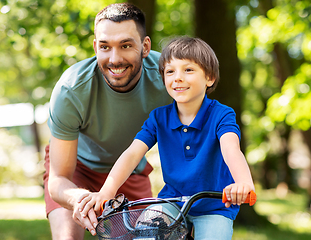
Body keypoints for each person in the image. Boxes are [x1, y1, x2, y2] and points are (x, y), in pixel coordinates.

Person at [78, 36, 255, 239]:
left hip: (215, 205)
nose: (177, 77)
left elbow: (231, 149)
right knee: (146, 231)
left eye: (188, 70)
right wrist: (107, 191)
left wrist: (244, 183)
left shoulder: (222, 115)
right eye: (170, 71)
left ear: (209, 78)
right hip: (171, 201)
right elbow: (133, 153)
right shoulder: (158, 118)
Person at [43, 3, 171, 239]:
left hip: (130, 171)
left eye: (125, 45)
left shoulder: (169, 77)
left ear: (145, 47)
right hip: (77, 169)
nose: (115, 59)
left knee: (148, 236)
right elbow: (58, 178)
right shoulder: (71, 90)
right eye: (105, 46)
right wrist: (82, 200)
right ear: (95, 47)